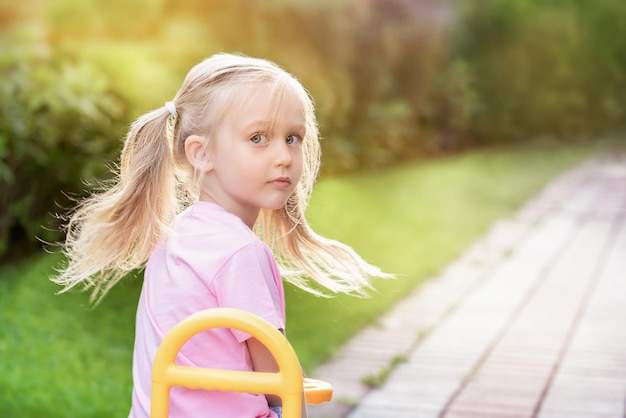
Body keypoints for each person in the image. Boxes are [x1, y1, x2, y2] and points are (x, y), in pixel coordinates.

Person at [52, 53, 390, 418]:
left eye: (293, 138)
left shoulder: (179, 236)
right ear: (201, 153)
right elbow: (279, 379)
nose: (284, 156)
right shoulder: (239, 252)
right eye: (258, 137)